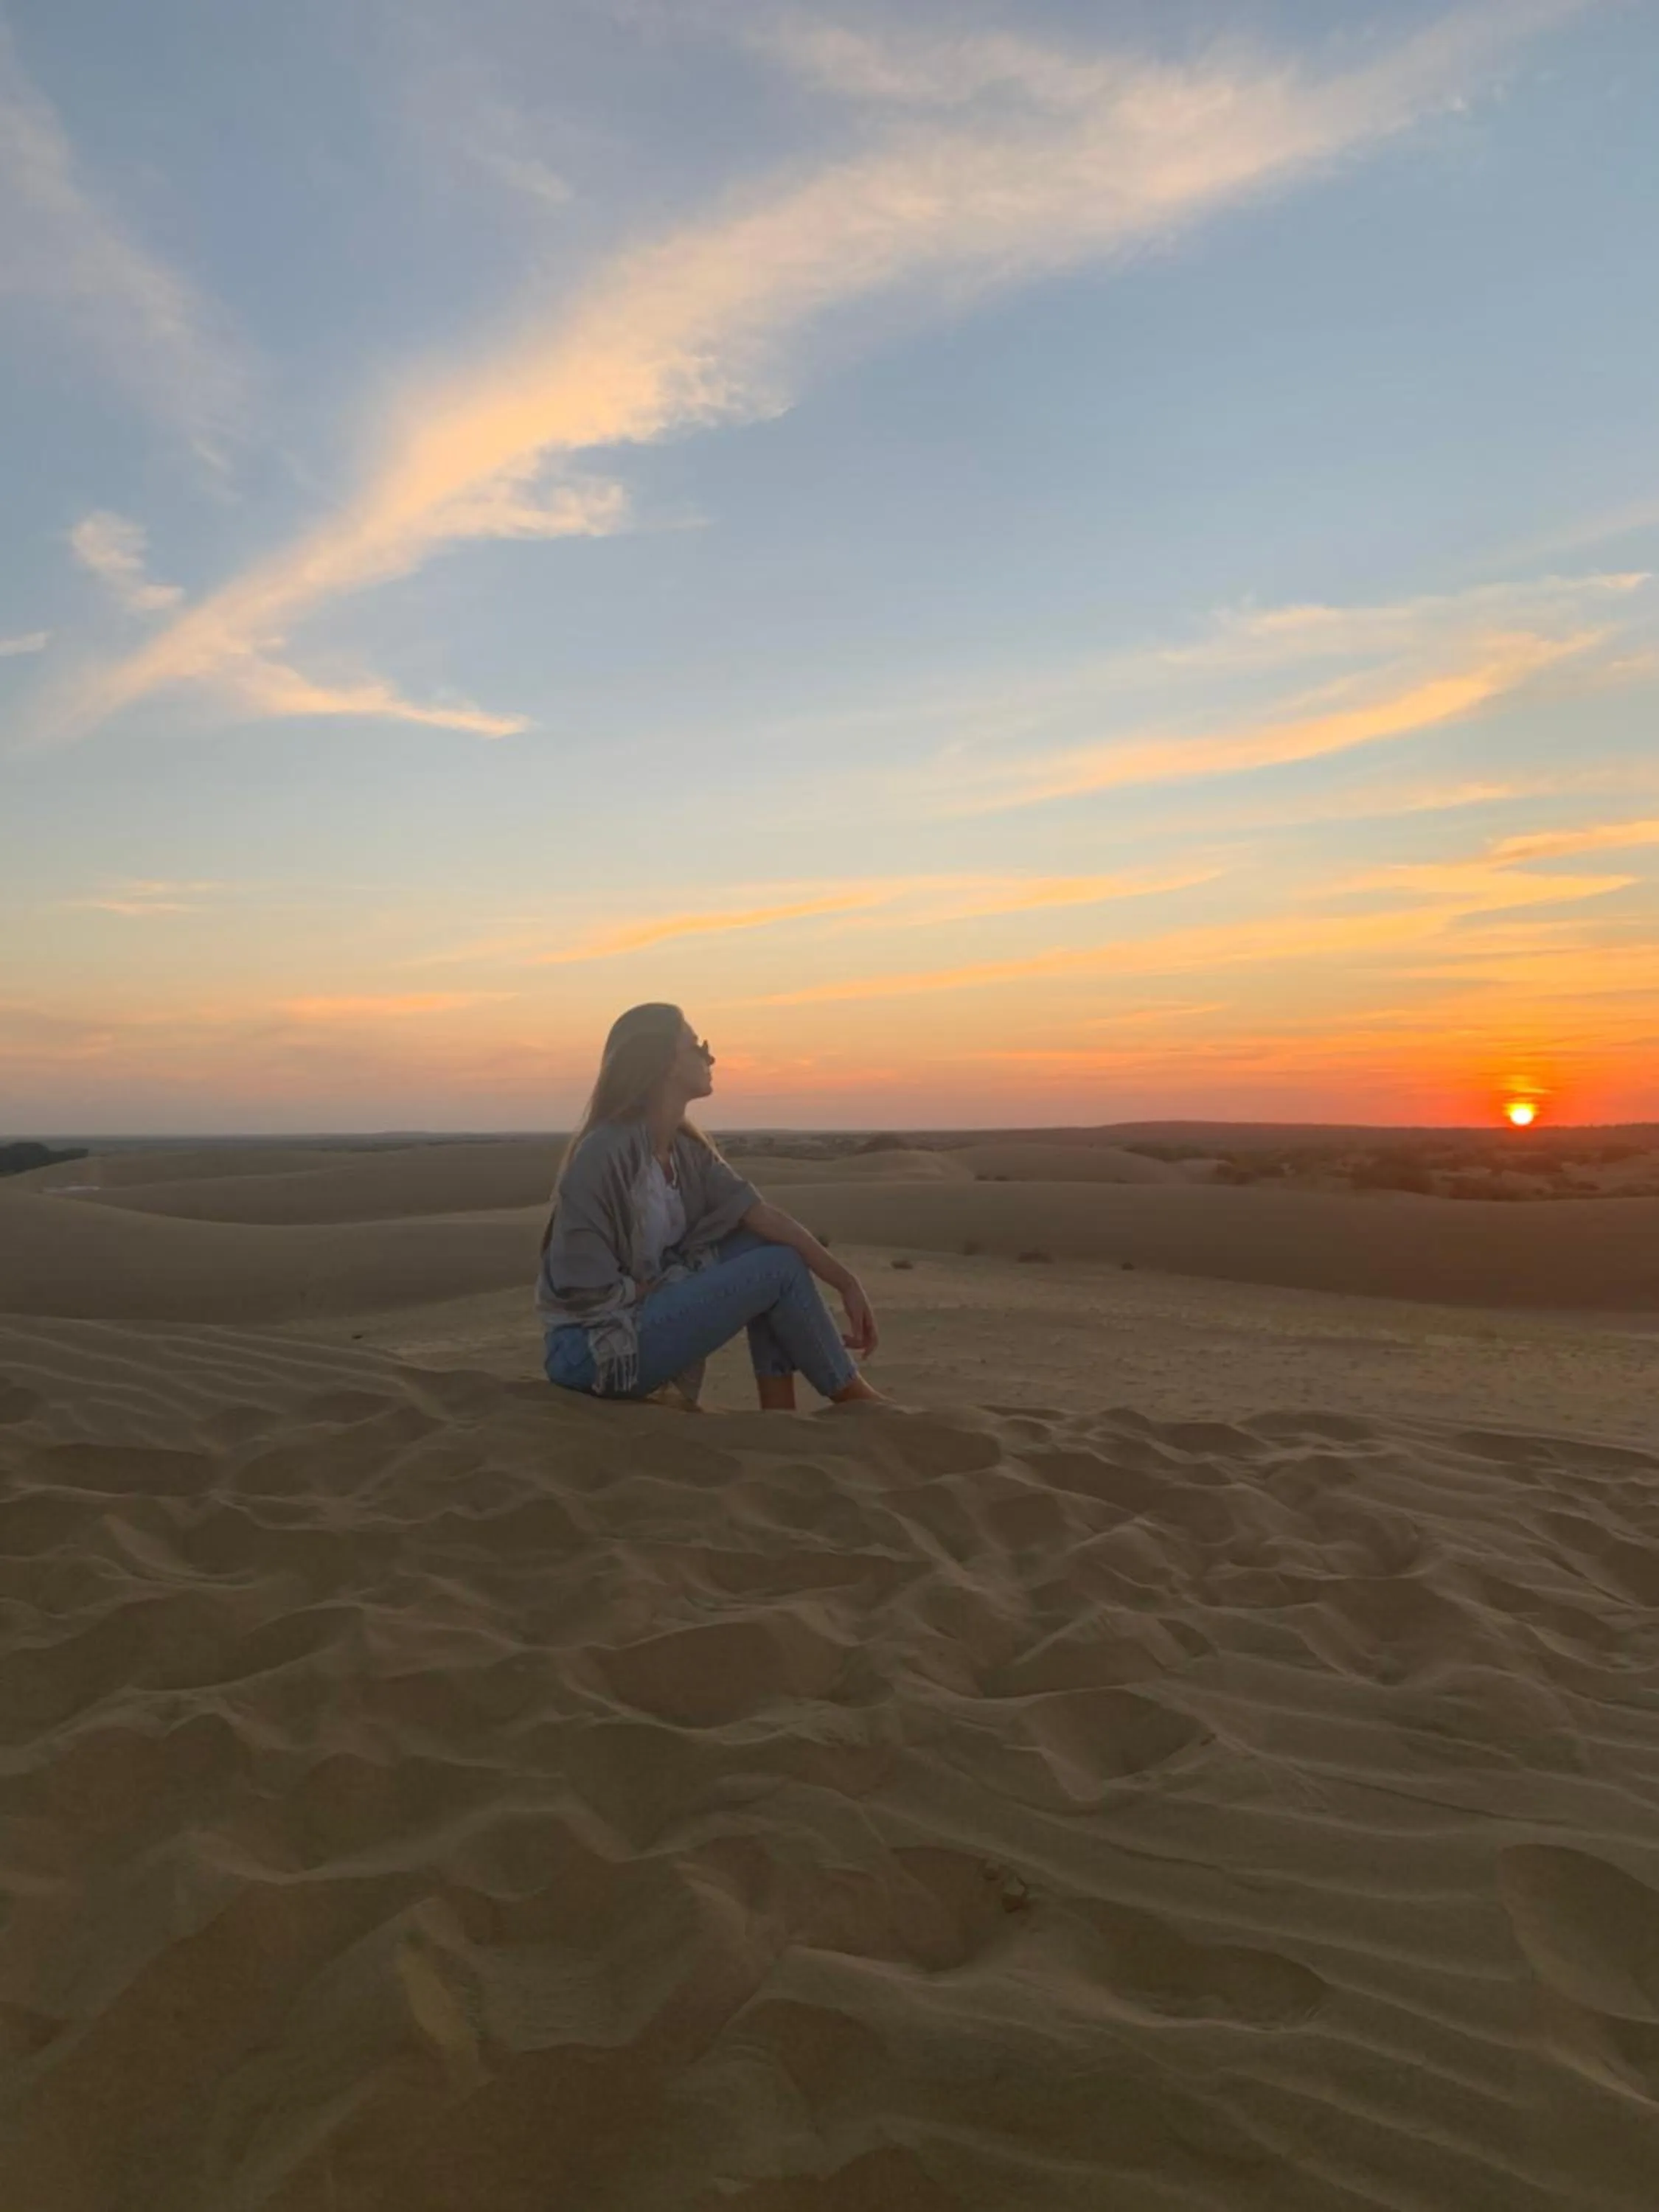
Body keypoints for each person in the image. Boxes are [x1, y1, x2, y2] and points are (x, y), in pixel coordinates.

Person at [537, 1003, 889, 1410]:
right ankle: (854, 1399)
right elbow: (583, 1288)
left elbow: (762, 1216)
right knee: (777, 1269)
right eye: (698, 1046)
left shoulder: (686, 1151)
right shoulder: (604, 1154)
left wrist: (846, 1283)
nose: (711, 1058)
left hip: (642, 1317)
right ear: (666, 1061)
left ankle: (779, 1415)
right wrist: (672, 1286)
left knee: (768, 1248)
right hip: (592, 1349)